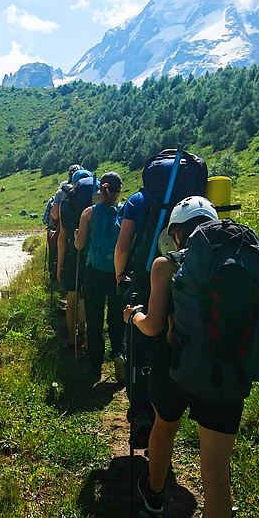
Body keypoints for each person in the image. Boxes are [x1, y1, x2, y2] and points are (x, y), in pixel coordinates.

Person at [122, 196, 233, 518]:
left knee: (164, 426)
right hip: (228, 378)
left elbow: (152, 327)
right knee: (217, 475)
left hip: (180, 371)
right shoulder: (243, 257)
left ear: (178, 231)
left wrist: (132, 315)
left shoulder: (167, 264)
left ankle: (153, 495)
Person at [73, 172, 125, 384]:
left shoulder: (88, 213)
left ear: (101, 189)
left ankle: (95, 367)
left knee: (95, 319)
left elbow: (80, 245)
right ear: (117, 191)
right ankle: (119, 355)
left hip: (93, 272)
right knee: (117, 317)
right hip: (118, 271)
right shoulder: (124, 211)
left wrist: (76, 237)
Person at [113, 188, 155, 444]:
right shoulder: (196, 197)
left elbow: (122, 246)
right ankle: (166, 418)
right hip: (186, 284)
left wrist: (119, 276)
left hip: (143, 282)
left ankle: (140, 412)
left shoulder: (138, 200)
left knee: (138, 351)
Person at [56, 167, 91, 353]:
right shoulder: (98, 199)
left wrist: (59, 265)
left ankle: (71, 339)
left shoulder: (67, 200)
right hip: (93, 256)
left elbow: (62, 238)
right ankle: (85, 335)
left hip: (72, 253)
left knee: (72, 296)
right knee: (86, 297)